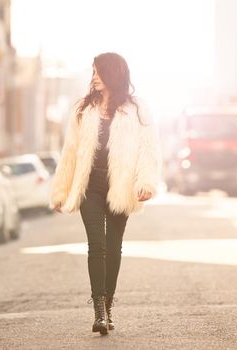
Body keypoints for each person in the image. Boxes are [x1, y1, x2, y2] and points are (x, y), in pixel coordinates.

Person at [50, 52, 160, 335]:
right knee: (96, 246)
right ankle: (99, 310)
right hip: (90, 187)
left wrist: (145, 182)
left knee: (114, 247)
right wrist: (61, 190)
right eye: (93, 72)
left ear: (113, 74)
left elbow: (148, 150)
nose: (94, 77)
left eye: (99, 71)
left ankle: (108, 306)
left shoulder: (136, 109)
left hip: (121, 187)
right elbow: (70, 153)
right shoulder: (83, 110)